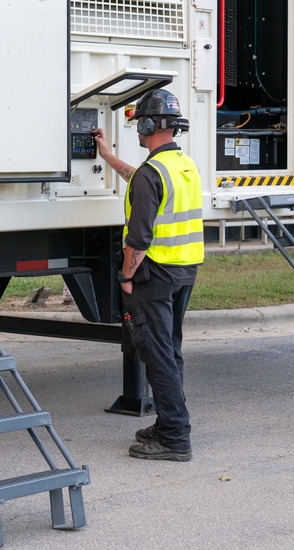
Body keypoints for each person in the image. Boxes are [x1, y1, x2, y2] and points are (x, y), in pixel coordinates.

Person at [92, 89, 204, 462]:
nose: (138, 128)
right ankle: (169, 422)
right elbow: (140, 180)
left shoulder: (150, 174)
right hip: (183, 272)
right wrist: (109, 157)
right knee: (169, 352)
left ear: (149, 124)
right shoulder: (183, 166)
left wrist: (125, 277)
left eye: (140, 121)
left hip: (154, 275)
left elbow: (137, 239)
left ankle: (174, 437)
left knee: (156, 355)